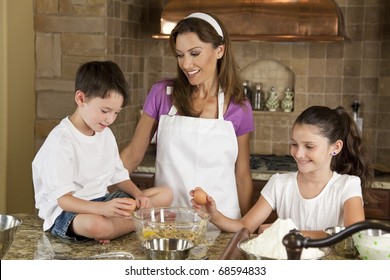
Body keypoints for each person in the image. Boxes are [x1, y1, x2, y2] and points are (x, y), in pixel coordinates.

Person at [120, 12, 254, 219]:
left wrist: (244, 229)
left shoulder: (239, 107)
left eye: (195, 53)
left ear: (219, 50)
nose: (186, 64)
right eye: (180, 55)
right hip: (168, 221)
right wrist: (94, 192)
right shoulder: (162, 94)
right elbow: (132, 156)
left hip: (221, 223)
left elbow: (242, 176)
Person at [32, 61, 172, 244]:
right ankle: (145, 221)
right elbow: (64, 201)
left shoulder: (104, 133)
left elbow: (118, 175)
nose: (110, 119)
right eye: (105, 110)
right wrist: (102, 209)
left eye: (116, 113)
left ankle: (124, 223)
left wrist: (139, 196)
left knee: (165, 194)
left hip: (102, 201)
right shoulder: (61, 142)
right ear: (81, 99)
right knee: (96, 225)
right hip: (68, 212)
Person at [191, 105, 373, 238]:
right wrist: (214, 215)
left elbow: (353, 235)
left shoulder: (347, 186)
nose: (299, 154)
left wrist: (288, 233)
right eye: (294, 144)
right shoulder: (279, 184)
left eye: (309, 146)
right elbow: (244, 226)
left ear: (335, 147)